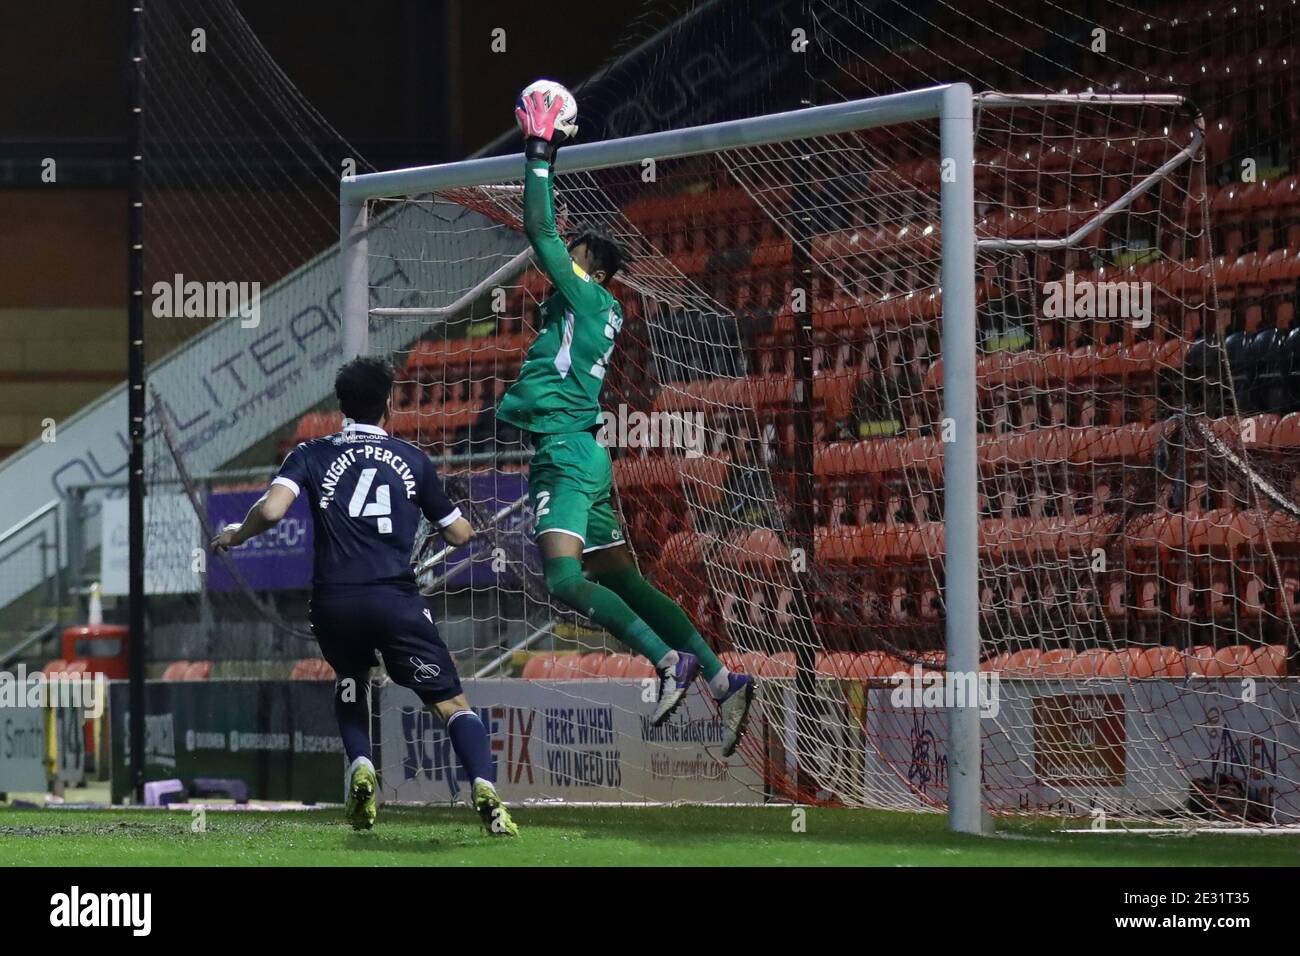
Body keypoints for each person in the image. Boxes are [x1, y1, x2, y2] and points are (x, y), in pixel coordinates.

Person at [497, 87, 755, 756]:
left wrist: (540, 151)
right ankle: (723, 677)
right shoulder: (605, 310)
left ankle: (668, 662)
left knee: (562, 580)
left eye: (575, 255)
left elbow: (539, 230)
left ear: (594, 269)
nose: (562, 262)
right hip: (588, 450)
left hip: (563, 448)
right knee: (625, 579)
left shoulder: (586, 293)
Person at [211, 356, 518, 836]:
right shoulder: (413, 458)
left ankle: (360, 763)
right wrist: (466, 524)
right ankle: (484, 787)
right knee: (451, 705)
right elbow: (458, 534)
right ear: (390, 404)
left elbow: (271, 511)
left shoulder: (310, 452)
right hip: (396, 601)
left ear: (341, 406)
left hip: (334, 602)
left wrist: (237, 535)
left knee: (352, 677)